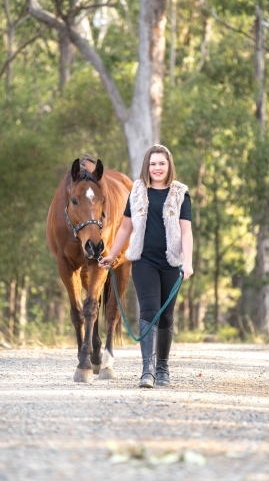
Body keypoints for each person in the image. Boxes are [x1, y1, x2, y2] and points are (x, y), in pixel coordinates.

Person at [98, 144, 193, 388]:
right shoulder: (137, 191)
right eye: (153, 164)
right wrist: (111, 255)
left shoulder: (180, 193)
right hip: (143, 261)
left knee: (166, 316)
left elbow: (186, 231)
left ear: (169, 165)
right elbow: (125, 228)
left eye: (161, 163)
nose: (157, 168)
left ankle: (163, 368)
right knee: (149, 311)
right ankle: (147, 371)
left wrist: (188, 262)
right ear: (147, 167)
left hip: (171, 263)